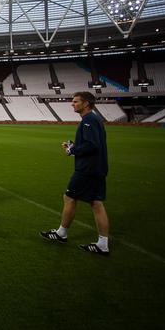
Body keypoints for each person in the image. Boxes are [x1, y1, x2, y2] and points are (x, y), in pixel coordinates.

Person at [40, 91, 111, 256]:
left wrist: (72, 150)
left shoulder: (89, 120)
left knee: (70, 197)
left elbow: (91, 145)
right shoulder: (94, 119)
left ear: (86, 103)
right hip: (96, 168)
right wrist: (73, 145)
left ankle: (61, 233)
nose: (72, 104)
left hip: (87, 169)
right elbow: (92, 143)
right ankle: (102, 244)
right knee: (96, 203)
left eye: (75, 101)